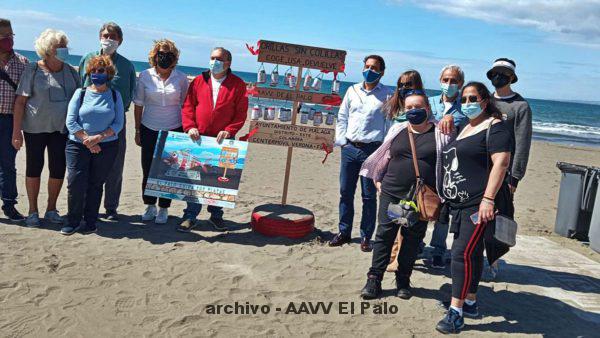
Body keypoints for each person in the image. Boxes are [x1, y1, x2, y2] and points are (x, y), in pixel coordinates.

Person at [359, 91, 455, 300]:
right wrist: (377, 177)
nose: (413, 111)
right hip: (392, 191)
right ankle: (374, 279)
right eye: (409, 107)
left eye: (418, 107)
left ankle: (403, 279)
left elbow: (451, 163)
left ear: (427, 109)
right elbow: (385, 154)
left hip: (421, 197)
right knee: (385, 235)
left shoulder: (441, 133)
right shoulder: (398, 129)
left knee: (412, 239)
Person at [435, 82, 512, 334]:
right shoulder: (466, 127)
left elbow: (501, 163)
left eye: (473, 98)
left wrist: (488, 200)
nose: (468, 103)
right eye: (465, 98)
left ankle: (455, 313)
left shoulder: (496, 127)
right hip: (458, 204)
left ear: (485, 100)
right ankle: (470, 302)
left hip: (478, 204)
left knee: (460, 254)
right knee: (472, 253)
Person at [13, 29, 80, 227]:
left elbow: (80, 100)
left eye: (64, 45)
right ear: (47, 50)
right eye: (58, 46)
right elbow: (20, 102)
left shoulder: (71, 72)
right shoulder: (33, 70)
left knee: (58, 168)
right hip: (35, 128)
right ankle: (33, 211)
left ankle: (51, 209)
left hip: (61, 130)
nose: (62, 49)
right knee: (34, 167)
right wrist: (17, 132)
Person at [177, 47, 248, 232]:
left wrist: (229, 130)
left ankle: (216, 216)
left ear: (228, 63)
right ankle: (190, 216)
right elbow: (188, 106)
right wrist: (190, 126)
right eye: (212, 58)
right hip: (199, 138)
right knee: (195, 178)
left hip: (224, 140)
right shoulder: (199, 81)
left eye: (219, 58)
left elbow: (240, 113)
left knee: (220, 181)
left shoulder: (238, 84)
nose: (214, 61)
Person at [330, 55, 394, 252]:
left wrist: (384, 151)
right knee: (345, 192)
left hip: (372, 150)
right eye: (367, 66)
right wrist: (342, 142)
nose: (369, 70)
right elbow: (342, 117)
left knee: (368, 196)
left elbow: (389, 124)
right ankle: (344, 231)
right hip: (349, 149)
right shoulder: (352, 90)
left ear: (382, 72)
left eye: (374, 68)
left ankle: (366, 236)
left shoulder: (388, 94)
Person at [61, 55, 124, 235]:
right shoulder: (80, 93)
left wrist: (99, 138)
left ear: (108, 73)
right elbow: (71, 121)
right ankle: (73, 220)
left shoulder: (114, 95)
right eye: (94, 70)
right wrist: (88, 141)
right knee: (75, 182)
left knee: (96, 184)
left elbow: (119, 123)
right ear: (89, 72)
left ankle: (90, 220)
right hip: (78, 145)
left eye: (101, 70)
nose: (97, 74)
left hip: (107, 146)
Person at [78, 22, 136, 221]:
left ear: (120, 40)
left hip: (116, 124)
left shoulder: (127, 65)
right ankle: (87, 205)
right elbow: (80, 87)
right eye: (105, 35)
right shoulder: (87, 59)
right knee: (88, 166)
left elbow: (130, 93)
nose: (108, 39)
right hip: (89, 124)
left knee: (114, 167)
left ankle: (111, 207)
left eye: (112, 36)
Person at [486, 57, 532, 278]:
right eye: (495, 72)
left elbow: (523, 142)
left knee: (500, 215)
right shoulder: (484, 100)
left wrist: (515, 176)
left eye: (503, 74)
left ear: (512, 77)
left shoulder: (520, 106)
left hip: (504, 173)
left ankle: (494, 259)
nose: (498, 77)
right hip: (481, 168)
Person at [134, 39, 188, 224]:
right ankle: (150, 205)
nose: (164, 57)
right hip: (149, 128)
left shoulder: (181, 78)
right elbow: (139, 104)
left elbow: (186, 105)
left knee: (168, 171)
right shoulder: (145, 75)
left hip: (174, 128)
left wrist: (187, 131)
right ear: (155, 56)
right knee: (148, 169)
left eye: (169, 55)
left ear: (174, 58)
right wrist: (137, 129)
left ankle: (164, 208)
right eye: (161, 53)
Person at [423, 64, 467, 269]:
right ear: (440, 80)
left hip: (452, 165)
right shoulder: (429, 102)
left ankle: (439, 250)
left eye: (454, 81)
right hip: (428, 160)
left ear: (461, 84)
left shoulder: (465, 106)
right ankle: (416, 244)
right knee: (422, 202)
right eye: (446, 80)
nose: (449, 84)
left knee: (443, 209)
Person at [0, 18, 28, 221]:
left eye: (10, 35)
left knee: (8, 165)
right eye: (3, 36)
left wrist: (17, 130)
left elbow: (24, 99)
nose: (8, 39)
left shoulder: (23, 63)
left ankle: (9, 205)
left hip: (10, 121)